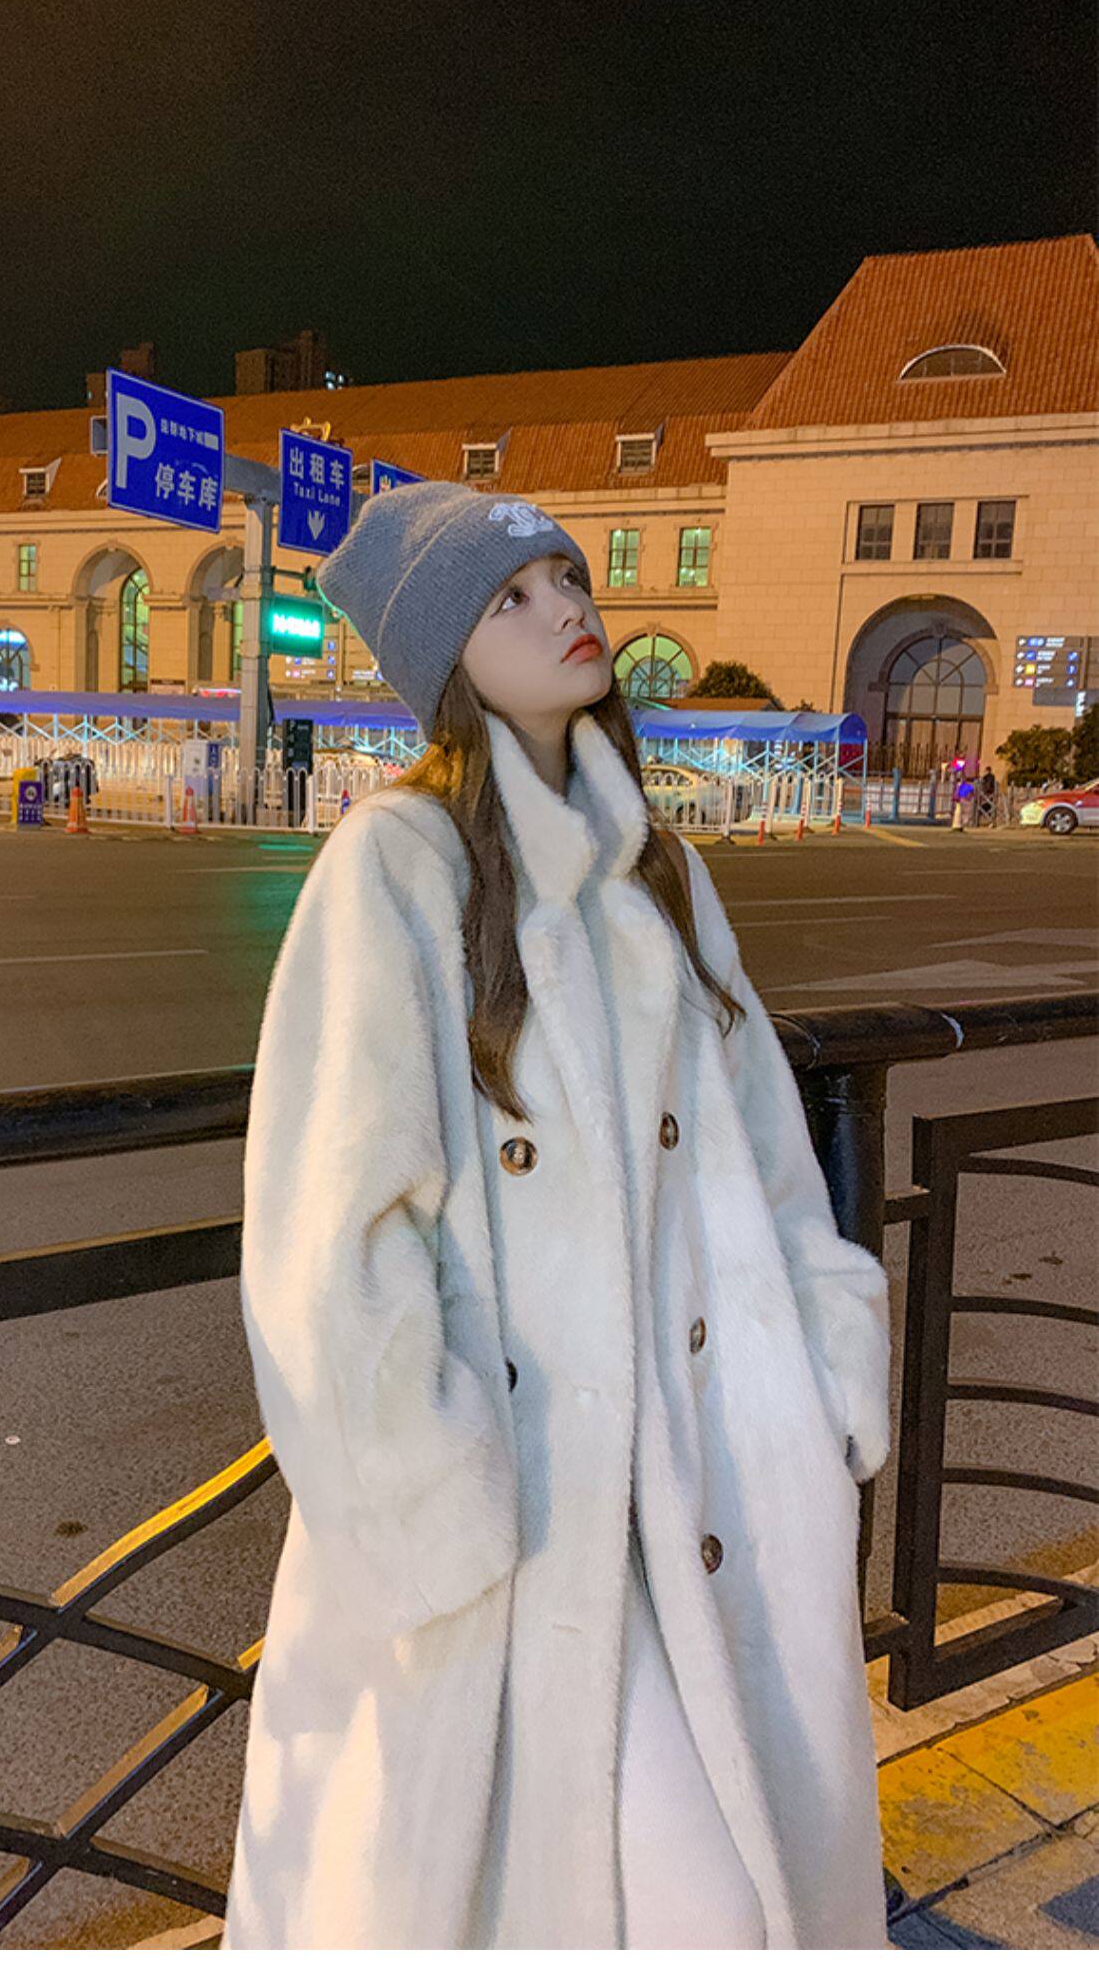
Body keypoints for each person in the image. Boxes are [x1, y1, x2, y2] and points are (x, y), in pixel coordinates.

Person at [219, 482, 892, 1950]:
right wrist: (434, 1495)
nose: (565, 609)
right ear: (446, 653)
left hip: (703, 1469)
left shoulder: (661, 870)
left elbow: (768, 1153)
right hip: (526, 1504)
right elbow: (331, 1230)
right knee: (693, 1910)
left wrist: (831, 1363)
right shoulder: (397, 864)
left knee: (733, 1894)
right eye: (510, 595)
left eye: (567, 577)